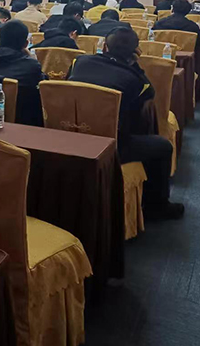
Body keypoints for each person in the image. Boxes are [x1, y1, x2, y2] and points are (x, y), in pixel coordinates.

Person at [69, 27, 183, 220]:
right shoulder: (136, 80)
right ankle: (157, 206)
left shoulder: (79, 62)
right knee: (163, 146)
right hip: (111, 147)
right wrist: (136, 65)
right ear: (135, 52)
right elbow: (147, 101)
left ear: (105, 47)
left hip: (69, 138)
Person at [0, 20, 45, 126]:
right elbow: (43, 87)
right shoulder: (31, 65)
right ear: (26, 44)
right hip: (21, 121)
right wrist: (34, 60)